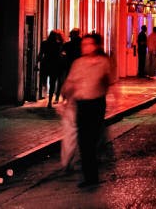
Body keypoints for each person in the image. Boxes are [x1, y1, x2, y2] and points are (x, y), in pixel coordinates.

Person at [61, 33, 113, 188]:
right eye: (83, 45)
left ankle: (93, 170)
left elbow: (110, 81)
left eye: (88, 44)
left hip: (96, 104)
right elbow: (70, 82)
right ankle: (89, 176)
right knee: (84, 141)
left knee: (93, 138)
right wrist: (65, 96)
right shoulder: (78, 63)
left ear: (95, 46)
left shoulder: (103, 62)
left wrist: (113, 96)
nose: (85, 47)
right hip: (81, 104)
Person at [38, 30, 64, 107]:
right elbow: (61, 54)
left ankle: (46, 94)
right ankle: (49, 101)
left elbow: (40, 54)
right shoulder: (59, 44)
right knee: (52, 83)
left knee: (44, 80)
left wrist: (37, 63)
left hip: (46, 63)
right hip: (55, 64)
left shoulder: (44, 43)